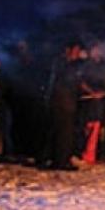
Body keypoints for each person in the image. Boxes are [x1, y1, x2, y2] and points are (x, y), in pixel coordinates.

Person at [41, 40, 83, 170]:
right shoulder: (63, 64)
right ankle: (61, 161)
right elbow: (74, 81)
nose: (77, 53)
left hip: (62, 102)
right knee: (64, 133)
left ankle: (55, 159)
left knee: (60, 132)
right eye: (75, 51)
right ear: (68, 50)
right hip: (62, 103)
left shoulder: (61, 63)